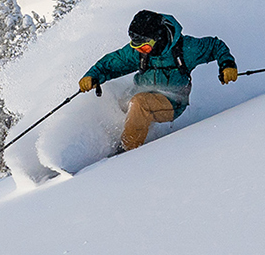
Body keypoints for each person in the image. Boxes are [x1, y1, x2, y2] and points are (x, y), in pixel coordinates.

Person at [78, 10, 237, 152]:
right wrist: (92, 76)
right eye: (137, 47)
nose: (140, 51)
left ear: (158, 38)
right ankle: (95, 144)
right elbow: (112, 62)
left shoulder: (186, 49)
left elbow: (215, 46)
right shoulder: (140, 51)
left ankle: (125, 153)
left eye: (145, 48)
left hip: (172, 102)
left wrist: (227, 65)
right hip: (141, 93)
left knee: (140, 103)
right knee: (122, 102)